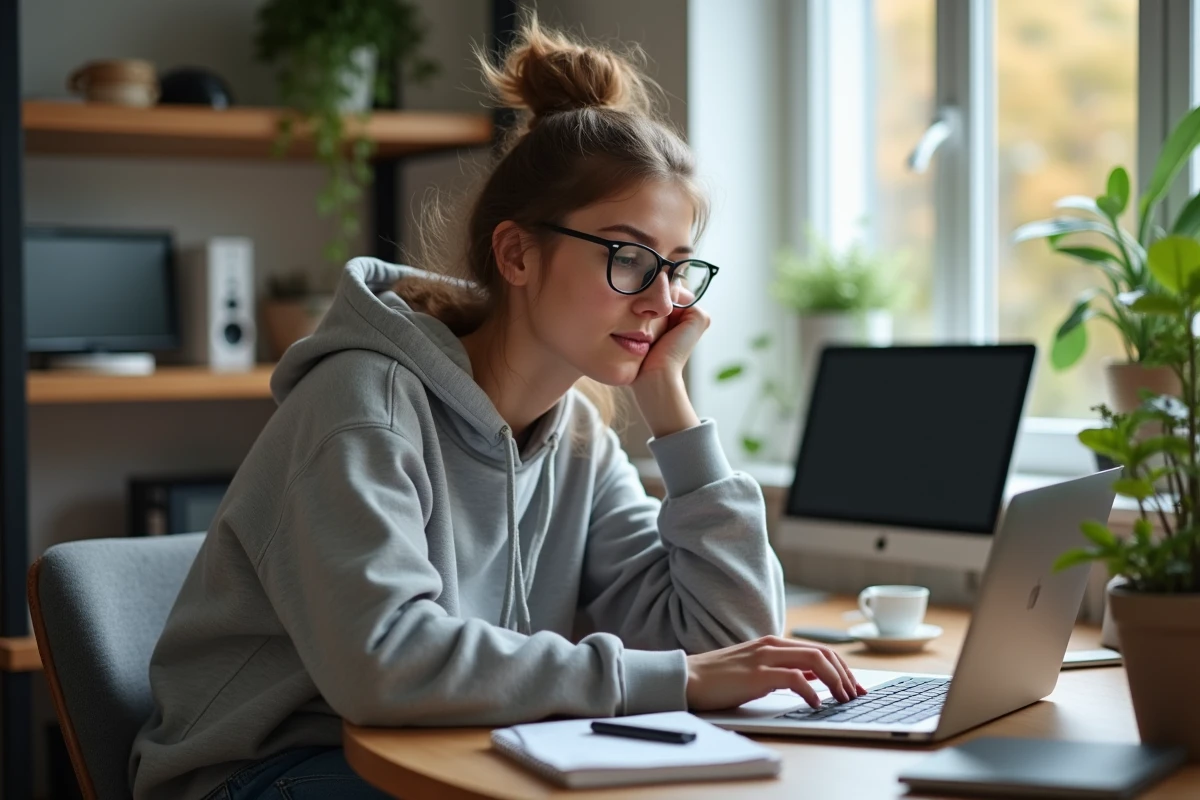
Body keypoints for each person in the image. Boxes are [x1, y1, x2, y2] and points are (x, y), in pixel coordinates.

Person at [129, 15, 865, 800]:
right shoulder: (362, 406)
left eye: (679, 269)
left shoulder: (578, 433)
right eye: (628, 257)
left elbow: (735, 648)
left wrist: (673, 415)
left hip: (455, 747)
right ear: (517, 254)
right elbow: (386, 664)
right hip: (267, 769)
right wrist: (671, 677)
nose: (662, 300)